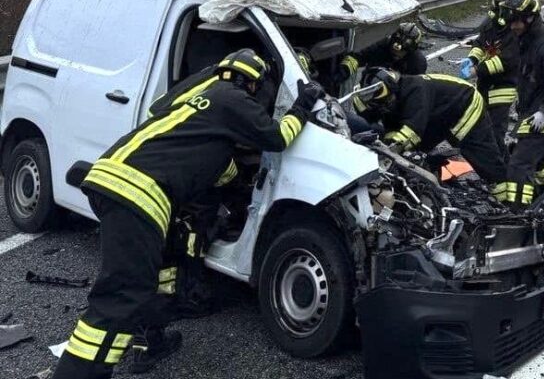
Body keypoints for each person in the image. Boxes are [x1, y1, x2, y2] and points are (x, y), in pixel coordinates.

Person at [52, 49, 323, 379]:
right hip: (137, 193)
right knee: (121, 297)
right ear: (252, 84)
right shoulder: (232, 98)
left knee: (160, 268)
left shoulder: (197, 101)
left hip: (113, 176)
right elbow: (277, 138)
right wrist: (302, 106)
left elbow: (195, 148)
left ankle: (150, 341)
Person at [491, 0, 544, 210]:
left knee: (519, 165)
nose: (513, 27)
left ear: (530, 18)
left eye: (516, 22)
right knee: (540, 161)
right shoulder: (526, 39)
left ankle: (519, 212)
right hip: (532, 110)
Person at [353, 68, 508, 184]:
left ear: (393, 90)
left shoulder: (415, 91)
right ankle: (432, 172)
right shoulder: (390, 100)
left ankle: (507, 195)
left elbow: (411, 132)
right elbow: (392, 130)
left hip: (465, 104)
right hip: (439, 113)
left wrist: (384, 154)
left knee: (481, 156)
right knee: (418, 151)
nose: (385, 108)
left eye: (387, 102)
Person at [460, 0, 520, 152]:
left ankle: (499, 161)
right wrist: (471, 59)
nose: (495, 13)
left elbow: (505, 61)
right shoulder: (492, 24)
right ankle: (483, 156)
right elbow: (480, 44)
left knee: (496, 130)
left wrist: (476, 70)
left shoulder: (515, 31)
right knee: (479, 125)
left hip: (503, 87)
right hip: (485, 84)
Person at [334, 22, 426, 91]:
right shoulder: (380, 45)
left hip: (396, 97)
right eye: (394, 49)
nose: (397, 53)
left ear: (411, 51)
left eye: (402, 51)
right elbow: (358, 56)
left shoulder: (418, 63)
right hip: (369, 88)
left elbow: (414, 88)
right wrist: (345, 69)